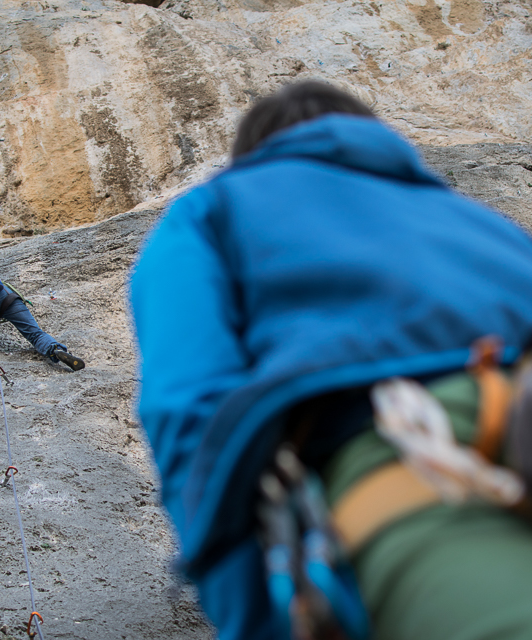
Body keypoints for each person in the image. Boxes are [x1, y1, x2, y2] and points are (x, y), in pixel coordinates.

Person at [130, 80, 532, 640]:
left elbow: (188, 403)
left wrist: (244, 600)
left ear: (253, 152)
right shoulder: (479, 219)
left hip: (410, 447)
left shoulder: (211, 211)